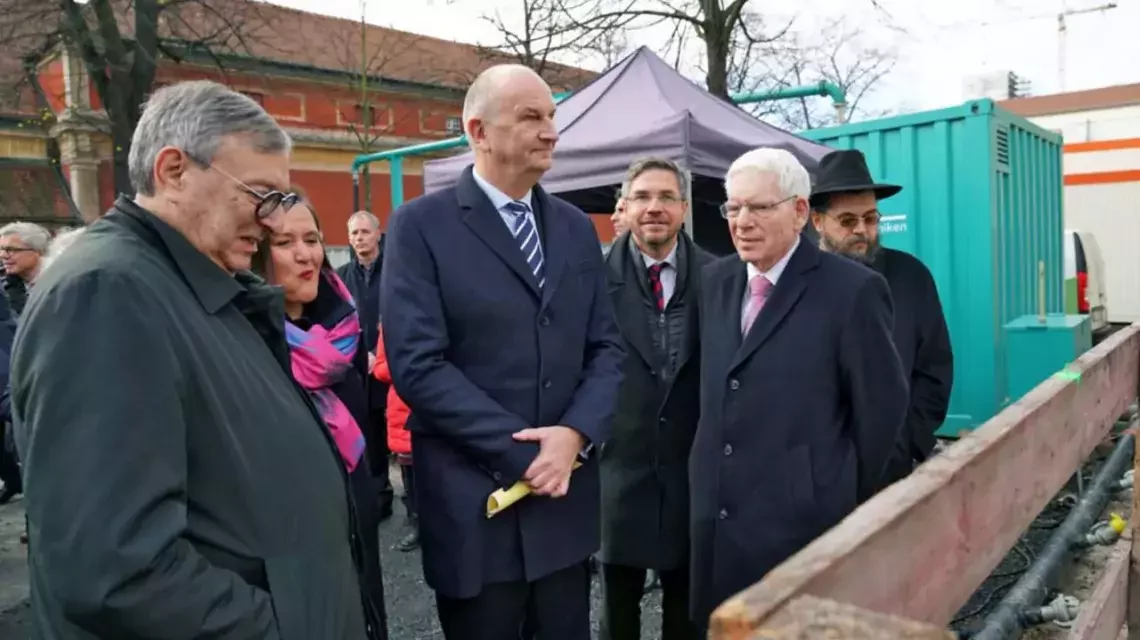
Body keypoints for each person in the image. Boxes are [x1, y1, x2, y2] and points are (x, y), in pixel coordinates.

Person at [10, 80, 380, 638]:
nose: (272, 222)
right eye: (260, 194)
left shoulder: (192, 283)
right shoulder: (107, 293)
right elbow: (118, 569)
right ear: (174, 171)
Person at [381, 63, 625, 640]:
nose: (551, 132)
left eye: (552, 117)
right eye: (531, 117)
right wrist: (526, 454)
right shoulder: (420, 227)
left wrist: (575, 435)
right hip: (476, 510)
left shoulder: (574, 229)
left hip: (562, 509)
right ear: (479, 131)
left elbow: (607, 347)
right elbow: (418, 364)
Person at [691, 147, 908, 630]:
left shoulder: (852, 291)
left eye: (759, 207)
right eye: (733, 207)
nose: (742, 222)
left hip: (800, 531)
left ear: (799, 211)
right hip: (718, 527)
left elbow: (881, 412)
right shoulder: (715, 281)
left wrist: (828, 488)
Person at [251, 194, 389, 636]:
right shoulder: (245, 341)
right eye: (284, 242)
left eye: (311, 240)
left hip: (356, 522)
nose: (305, 254)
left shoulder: (344, 328)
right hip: (292, 544)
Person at [598, 158, 710, 640]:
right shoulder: (590, 279)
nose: (654, 207)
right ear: (624, 207)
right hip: (616, 476)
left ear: (684, 208)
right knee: (616, 616)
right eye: (642, 197)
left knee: (688, 616)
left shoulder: (721, 278)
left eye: (666, 197)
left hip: (692, 476)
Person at [810, 149, 953, 488]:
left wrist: (908, 442)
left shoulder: (911, 276)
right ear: (818, 221)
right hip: (815, 475)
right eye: (848, 221)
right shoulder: (797, 282)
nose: (862, 230)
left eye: (871, 219)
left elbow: (934, 370)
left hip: (892, 468)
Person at [337, 210, 395, 520]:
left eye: (364, 232)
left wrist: (380, 354)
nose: (359, 238)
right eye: (354, 233)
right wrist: (361, 355)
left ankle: (416, 509)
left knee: (402, 440)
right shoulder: (341, 277)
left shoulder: (396, 271)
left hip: (393, 369)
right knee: (370, 439)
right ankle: (379, 499)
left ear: (377, 235)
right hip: (359, 371)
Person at [371, 325, 418, 552]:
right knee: (410, 477)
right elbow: (380, 369)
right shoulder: (389, 327)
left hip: (434, 407)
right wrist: (409, 365)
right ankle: (416, 523)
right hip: (402, 410)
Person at [0, 221, 49, 317]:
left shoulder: (60, 282)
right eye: (1, 249)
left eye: (12, 250)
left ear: (38, 251)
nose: (3, 255)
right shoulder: (3, 285)